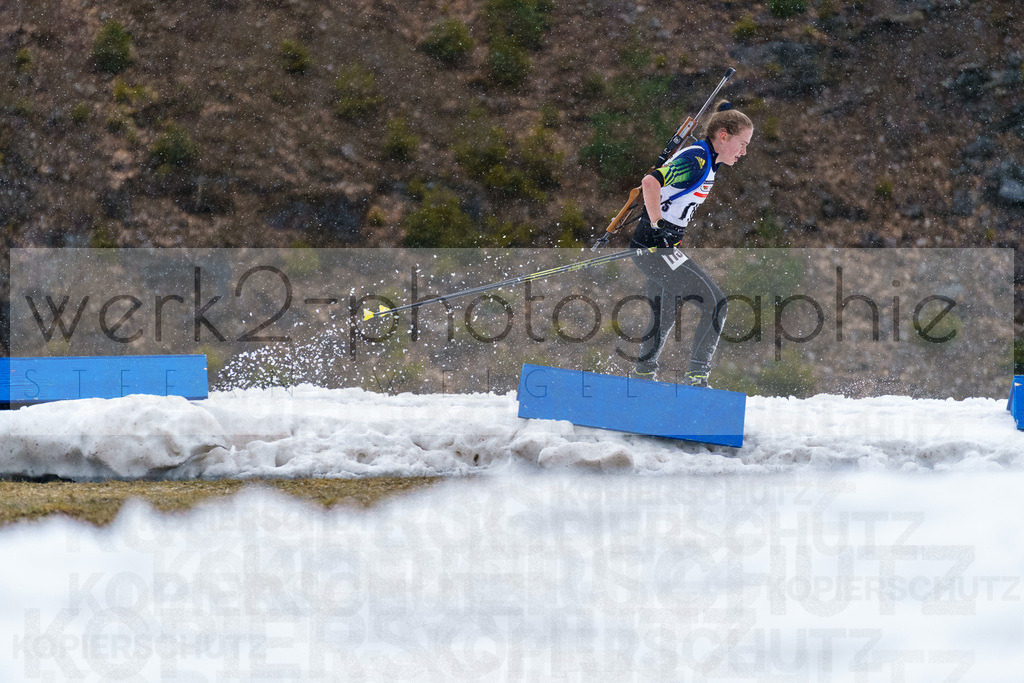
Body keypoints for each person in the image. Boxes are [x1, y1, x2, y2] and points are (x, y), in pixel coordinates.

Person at [629, 100, 753, 387]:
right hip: (654, 246)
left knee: (665, 310)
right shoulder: (696, 161)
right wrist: (659, 226)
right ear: (723, 136)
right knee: (716, 304)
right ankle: (697, 378)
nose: (744, 152)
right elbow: (651, 182)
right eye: (742, 143)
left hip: (657, 245)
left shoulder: (710, 160)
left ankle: (642, 377)